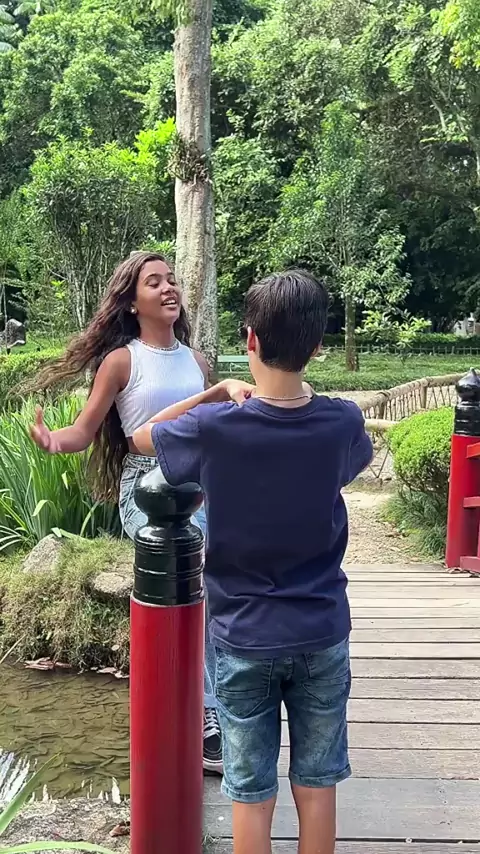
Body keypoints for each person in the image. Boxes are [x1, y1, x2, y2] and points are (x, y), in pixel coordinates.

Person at [132, 269, 373, 854]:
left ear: (250, 340)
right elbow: (348, 467)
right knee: (316, 784)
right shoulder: (342, 421)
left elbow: (141, 437)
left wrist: (214, 394)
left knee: (249, 791)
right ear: (317, 347)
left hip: (243, 635)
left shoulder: (215, 428)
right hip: (321, 630)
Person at [28, 250, 245, 775]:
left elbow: (213, 430)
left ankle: (219, 705)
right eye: (154, 282)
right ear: (131, 302)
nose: (169, 288)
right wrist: (53, 441)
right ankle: (208, 719)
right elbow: (85, 430)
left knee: (222, 590)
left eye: (171, 280)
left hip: (200, 488)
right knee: (199, 576)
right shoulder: (122, 361)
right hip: (146, 488)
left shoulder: (197, 362)